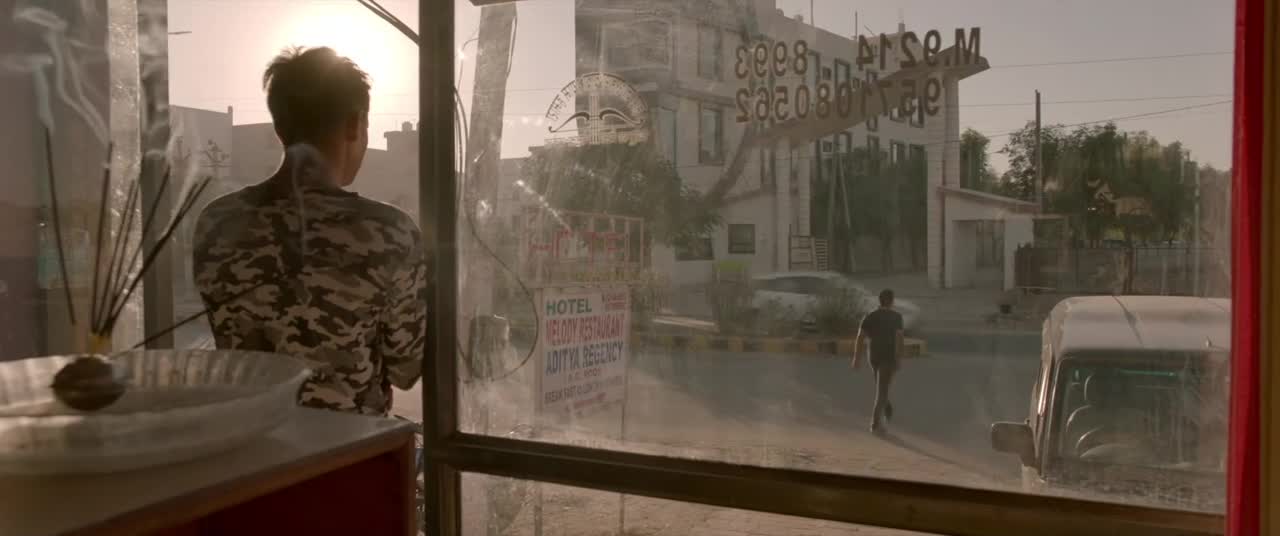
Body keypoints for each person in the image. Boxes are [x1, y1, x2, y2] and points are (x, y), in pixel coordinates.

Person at [193, 47, 426, 416]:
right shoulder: (389, 233)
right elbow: (406, 369)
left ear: (279, 129)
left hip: (251, 441)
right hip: (352, 446)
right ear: (355, 124)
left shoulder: (216, 222)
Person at [852, 289, 905, 434]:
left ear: (879, 300)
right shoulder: (897, 317)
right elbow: (899, 339)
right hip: (888, 356)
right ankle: (875, 424)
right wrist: (899, 358)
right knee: (882, 390)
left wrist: (856, 357)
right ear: (892, 301)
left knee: (881, 386)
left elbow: (860, 337)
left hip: (873, 356)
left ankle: (887, 407)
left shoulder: (870, 316)